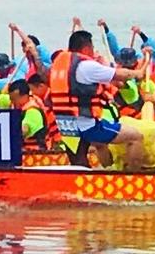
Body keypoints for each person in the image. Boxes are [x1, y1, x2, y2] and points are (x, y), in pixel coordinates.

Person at [49, 30, 146, 169]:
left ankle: (106, 172)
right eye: (92, 49)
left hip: (65, 126)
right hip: (86, 126)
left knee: (83, 159)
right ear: (87, 49)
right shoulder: (86, 65)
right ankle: (130, 178)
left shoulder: (59, 64)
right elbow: (120, 74)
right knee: (136, 137)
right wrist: (138, 73)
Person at [8, 78, 62, 151]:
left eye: (14, 99)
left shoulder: (33, 111)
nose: (12, 102)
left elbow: (24, 130)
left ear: (23, 96)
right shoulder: (20, 107)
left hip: (36, 154)